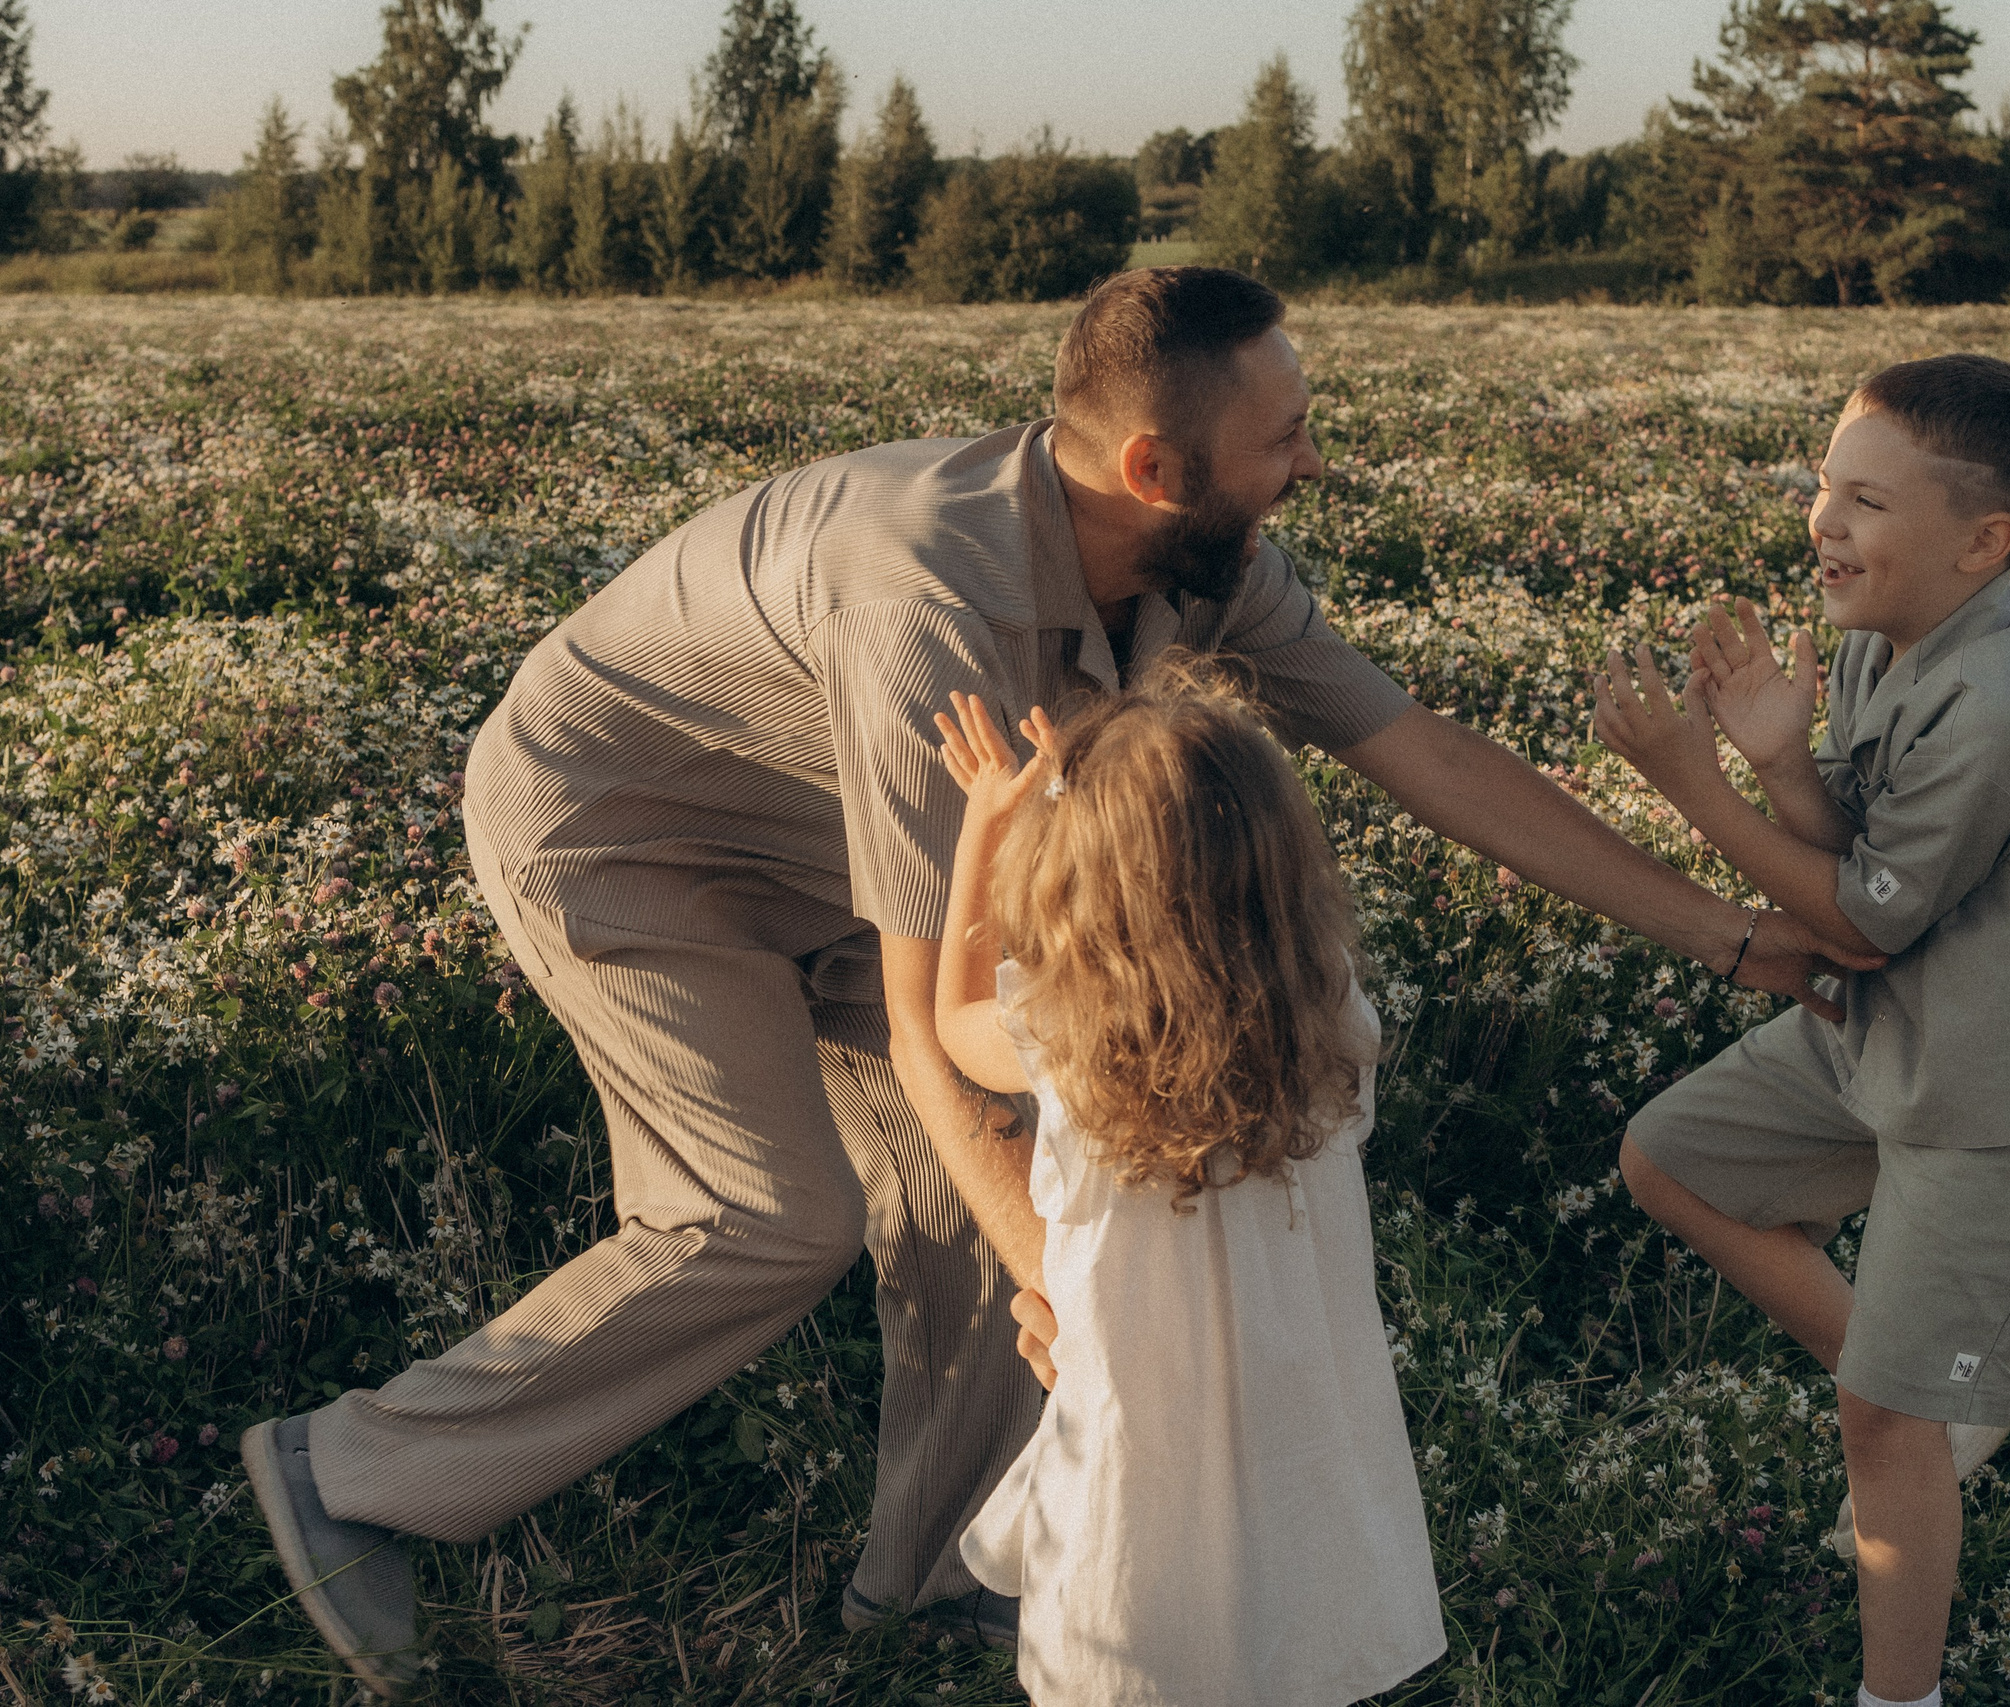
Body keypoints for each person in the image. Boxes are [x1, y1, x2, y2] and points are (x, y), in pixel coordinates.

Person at [239, 266, 1867, 1698]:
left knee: (988, 1201)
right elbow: (940, 1011)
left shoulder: (1202, 558)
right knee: (769, 1217)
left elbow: (1416, 748)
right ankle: (358, 1471)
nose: (1313, 456)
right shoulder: (928, 600)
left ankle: (939, 1586)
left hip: (866, 849)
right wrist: (1081, 1289)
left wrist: (1730, 934)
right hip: (628, 837)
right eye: (1287, 432)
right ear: (1159, 464)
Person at [1590, 354, 2010, 1707]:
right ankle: (1925, 1389)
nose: (1822, 523)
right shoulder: (1879, 641)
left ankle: (1899, 1685)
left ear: (1982, 542)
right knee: (1673, 1157)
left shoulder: (2004, 705)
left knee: (1881, 1421)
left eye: (1864, 500)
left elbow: (1865, 920)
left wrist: (1697, 785)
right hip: (1887, 1034)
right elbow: (1855, 847)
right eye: (1824, 488)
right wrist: (1787, 761)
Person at [930, 672, 1443, 1706]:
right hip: (1301, 1422)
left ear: (1069, 886)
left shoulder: (1066, 1041)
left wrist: (985, 829)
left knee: (1134, 1628)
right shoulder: (1330, 1012)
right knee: (1298, 1616)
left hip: (1136, 1449)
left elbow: (948, 1023)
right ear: (1281, 864)